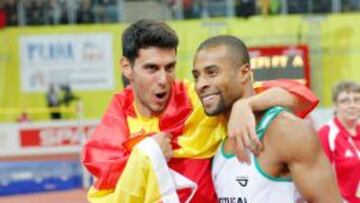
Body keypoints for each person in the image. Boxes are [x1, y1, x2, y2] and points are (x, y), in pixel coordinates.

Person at [82, 20, 318, 203]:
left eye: (170, 67)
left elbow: (300, 96)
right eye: (152, 68)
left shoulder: (197, 99)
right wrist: (148, 154)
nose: (163, 79)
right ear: (127, 67)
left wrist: (246, 104)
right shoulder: (115, 126)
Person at [191, 35, 342, 202]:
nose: (200, 84)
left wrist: (246, 104)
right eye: (196, 76)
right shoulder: (212, 131)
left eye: (212, 73)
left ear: (244, 73)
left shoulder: (286, 130)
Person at [318, 81, 360, 203]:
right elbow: (320, 178)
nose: (352, 105)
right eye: (345, 101)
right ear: (335, 105)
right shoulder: (326, 133)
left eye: (357, 100)